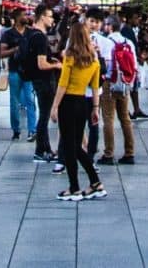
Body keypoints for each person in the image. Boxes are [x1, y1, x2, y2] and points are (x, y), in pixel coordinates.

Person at [48, 18, 106, 201]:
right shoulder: (94, 62)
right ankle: (94, 183)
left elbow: (63, 84)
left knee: (69, 144)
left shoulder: (70, 58)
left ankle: (75, 187)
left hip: (68, 102)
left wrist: (54, 106)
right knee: (75, 144)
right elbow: (95, 88)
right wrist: (95, 108)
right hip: (83, 102)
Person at [97, 14, 137, 166]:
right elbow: (133, 65)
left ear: (109, 26)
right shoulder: (128, 42)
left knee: (108, 118)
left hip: (109, 82)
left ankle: (109, 153)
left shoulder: (107, 42)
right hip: (125, 83)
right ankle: (129, 152)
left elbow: (105, 64)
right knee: (125, 118)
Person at [23, 9, 60, 163]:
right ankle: (40, 151)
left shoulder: (30, 34)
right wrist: (57, 66)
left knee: (43, 115)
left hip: (36, 80)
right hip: (44, 80)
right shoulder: (40, 38)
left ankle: (46, 149)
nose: (52, 20)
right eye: (50, 17)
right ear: (42, 17)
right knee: (44, 116)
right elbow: (42, 64)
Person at [3, 12, 33, 142]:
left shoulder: (31, 33)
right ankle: (16, 129)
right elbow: (1, 53)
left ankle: (33, 130)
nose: (26, 17)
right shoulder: (8, 34)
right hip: (14, 71)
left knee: (30, 100)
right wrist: (14, 50)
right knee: (14, 101)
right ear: (15, 19)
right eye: (23, 15)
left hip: (29, 71)